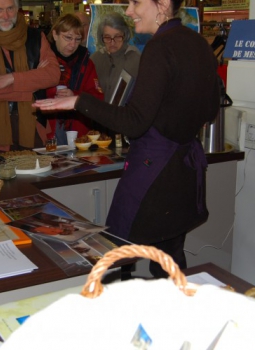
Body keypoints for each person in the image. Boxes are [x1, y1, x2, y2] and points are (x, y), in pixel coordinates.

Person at [34, 0, 220, 278]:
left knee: (112, 260)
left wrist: (79, 101)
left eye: (135, 2)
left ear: (163, 4)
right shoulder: (198, 43)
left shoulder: (160, 47)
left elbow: (134, 123)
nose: (129, 11)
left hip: (152, 174)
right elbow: (211, 109)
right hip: (184, 173)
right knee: (169, 264)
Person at [0, 0, 60, 158]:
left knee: (38, 180)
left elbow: (53, 75)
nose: (5, 16)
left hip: (33, 126)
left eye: (10, 9)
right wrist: (33, 86)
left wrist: (11, 78)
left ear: (17, 8)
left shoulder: (36, 37)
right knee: (1, 181)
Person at [44, 13, 104, 144]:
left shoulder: (87, 63)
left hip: (78, 129)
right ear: (55, 35)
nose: (72, 44)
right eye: (68, 38)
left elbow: (98, 98)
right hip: (47, 127)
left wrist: (75, 96)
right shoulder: (43, 60)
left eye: (77, 39)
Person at [90, 11, 141, 103]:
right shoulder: (95, 59)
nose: (112, 42)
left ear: (125, 35)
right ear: (101, 37)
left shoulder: (135, 59)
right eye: (107, 37)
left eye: (117, 37)